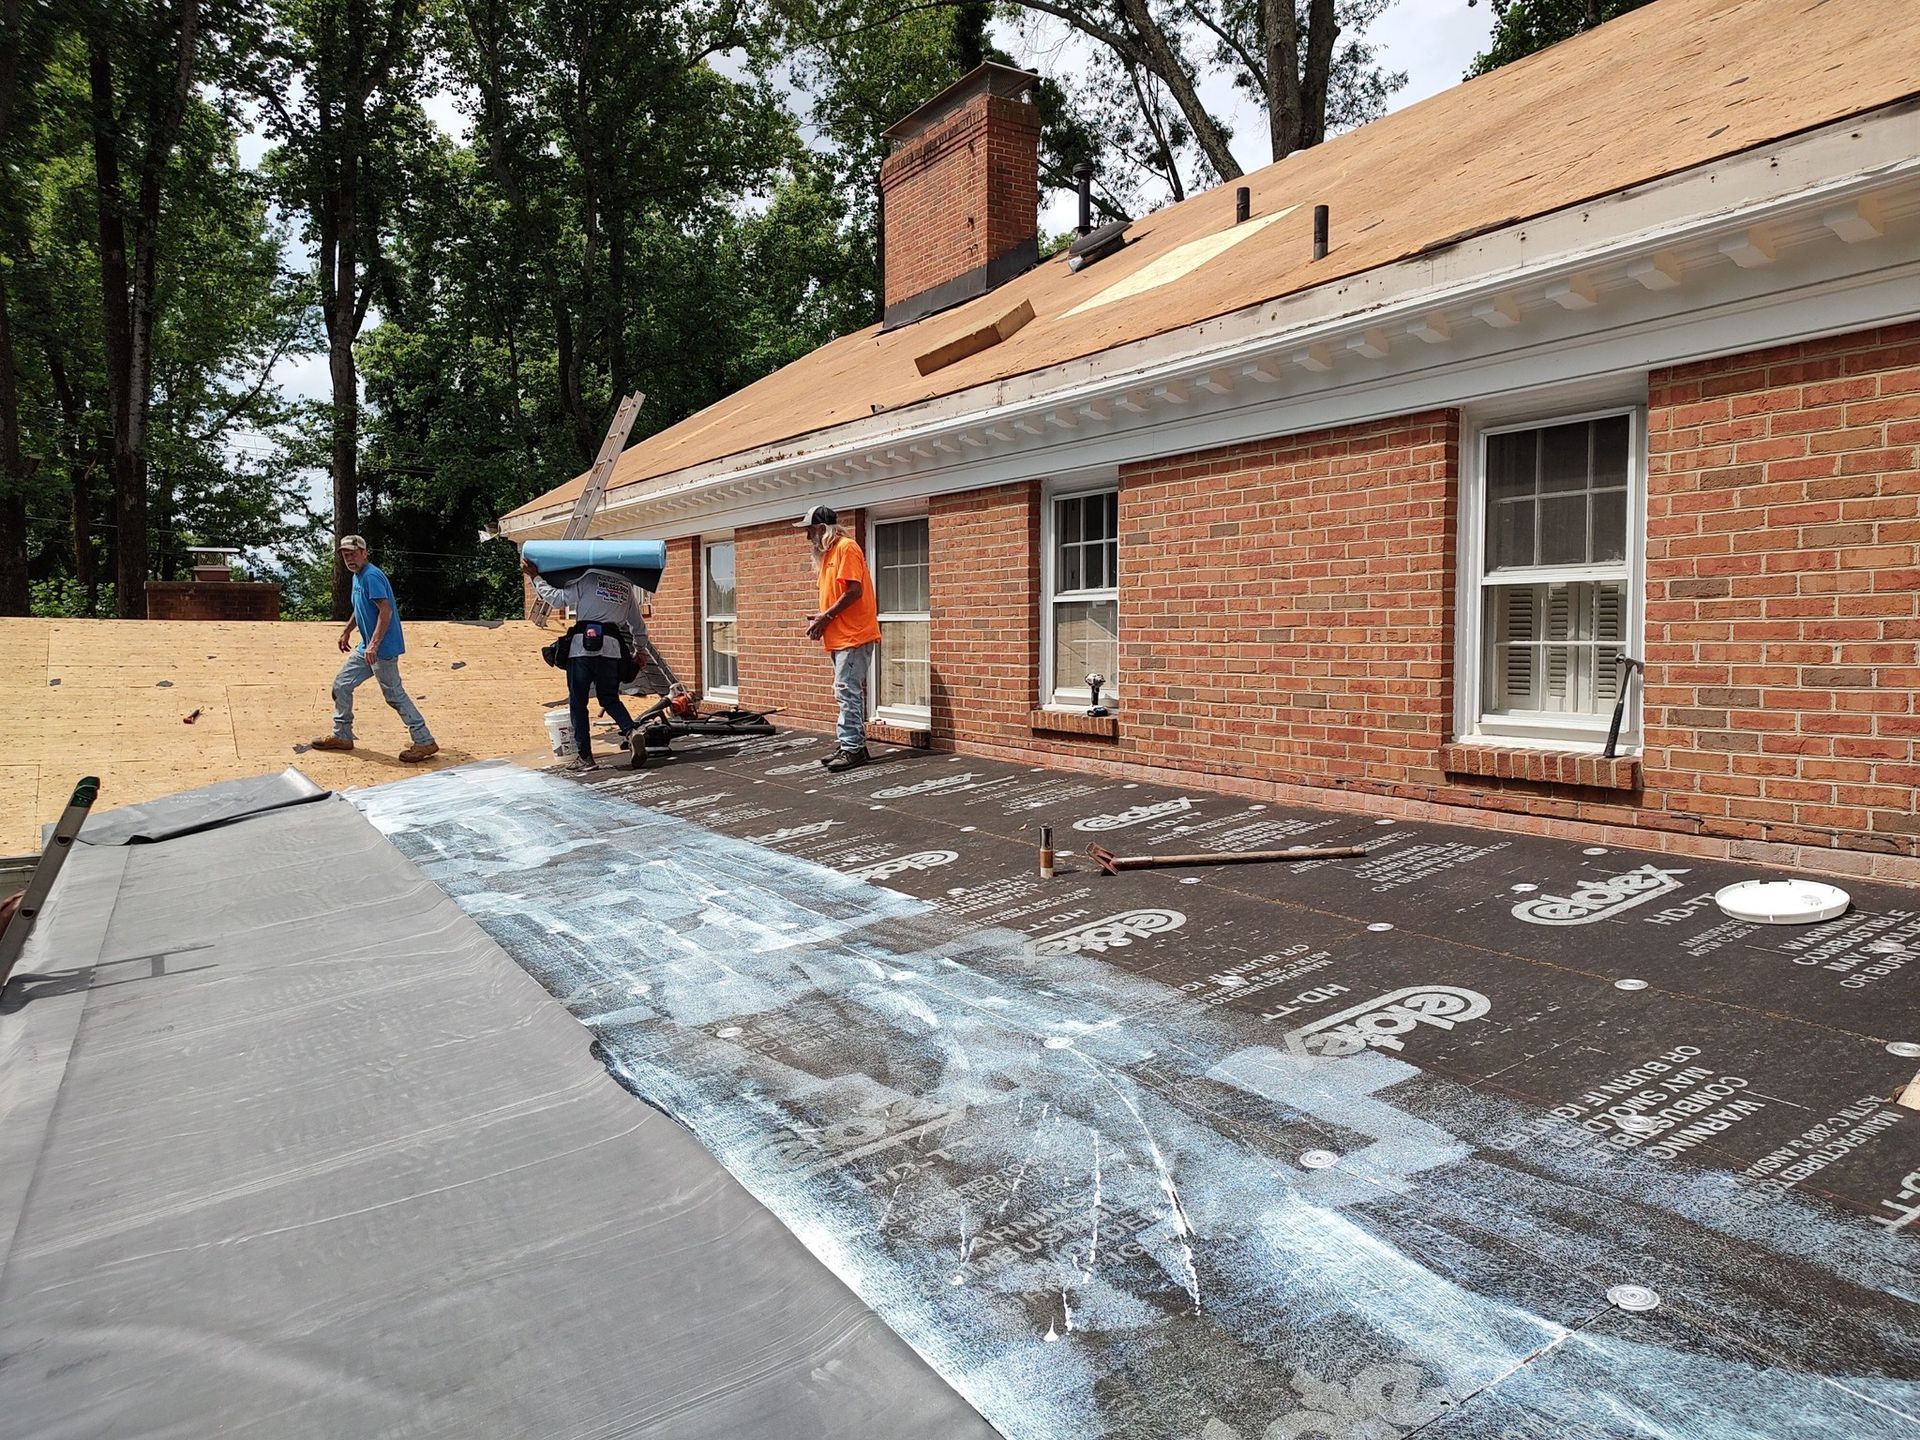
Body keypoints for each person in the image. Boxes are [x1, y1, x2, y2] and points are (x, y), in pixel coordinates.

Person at [521, 556, 665, 772]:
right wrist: (640, 649)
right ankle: (631, 730)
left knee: (578, 702)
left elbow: (558, 600)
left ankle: (585, 757)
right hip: (612, 648)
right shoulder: (624, 587)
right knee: (609, 698)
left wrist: (536, 578)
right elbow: (637, 623)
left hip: (582, 649)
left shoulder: (587, 579)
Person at [309, 536, 438, 762]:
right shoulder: (357, 577)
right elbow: (360, 608)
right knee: (341, 684)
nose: (349, 558)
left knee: (394, 695)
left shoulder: (371, 576)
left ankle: (424, 741)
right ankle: (342, 736)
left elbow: (385, 611)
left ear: (364, 553)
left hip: (382, 649)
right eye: (345, 554)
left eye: (353, 553)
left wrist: (374, 644)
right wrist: (347, 630)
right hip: (366, 647)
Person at [797, 504, 882, 773]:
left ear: (823, 529)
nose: (807, 537)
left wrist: (827, 617)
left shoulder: (846, 547)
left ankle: (852, 749)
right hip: (840, 637)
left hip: (854, 636)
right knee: (844, 692)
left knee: (847, 692)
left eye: (810, 531)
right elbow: (835, 596)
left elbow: (854, 591)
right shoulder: (829, 555)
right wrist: (822, 620)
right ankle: (852, 744)